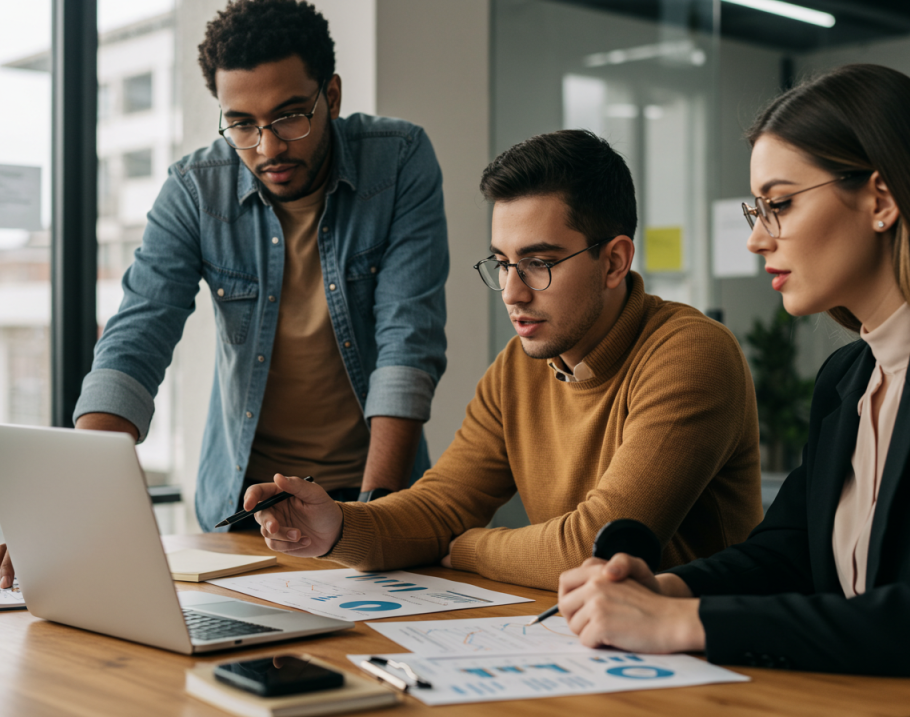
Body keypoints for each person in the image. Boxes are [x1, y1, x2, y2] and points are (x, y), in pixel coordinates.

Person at [0, 0, 449, 588]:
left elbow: (407, 341)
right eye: (241, 124)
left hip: (371, 494)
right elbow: (137, 338)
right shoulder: (194, 189)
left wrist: (376, 513)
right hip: (248, 507)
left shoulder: (400, 160)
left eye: (289, 118)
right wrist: (70, 505)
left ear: (330, 96)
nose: (267, 147)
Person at [556, 64, 910, 684]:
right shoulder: (848, 379)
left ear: (881, 200)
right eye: (758, 208)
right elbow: (790, 553)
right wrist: (666, 588)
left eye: (778, 204)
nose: (755, 239)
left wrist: (681, 625)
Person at [241, 129, 764, 591]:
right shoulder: (519, 365)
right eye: (501, 263)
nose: (512, 293)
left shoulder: (691, 353)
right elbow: (441, 506)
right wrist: (336, 525)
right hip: (585, 642)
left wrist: (466, 548)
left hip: (707, 661)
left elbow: (594, 547)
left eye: (538, 263)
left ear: (614, 261)